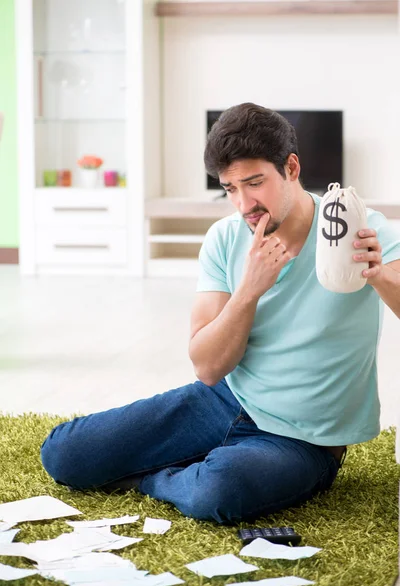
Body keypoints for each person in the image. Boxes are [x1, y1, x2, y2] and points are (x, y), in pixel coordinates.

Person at [40, 103, 400, 525]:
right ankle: (193, 465)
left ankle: (152, 477)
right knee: (65, 454)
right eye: (230, 188)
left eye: (254, 183)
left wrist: (378, 276)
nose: (244, 203)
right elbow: (208, 367)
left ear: (291, 167)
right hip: (223, 400)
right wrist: (248, 290)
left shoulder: (361, 229)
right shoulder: (225, 238)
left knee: (220, 490)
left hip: (304, 438)